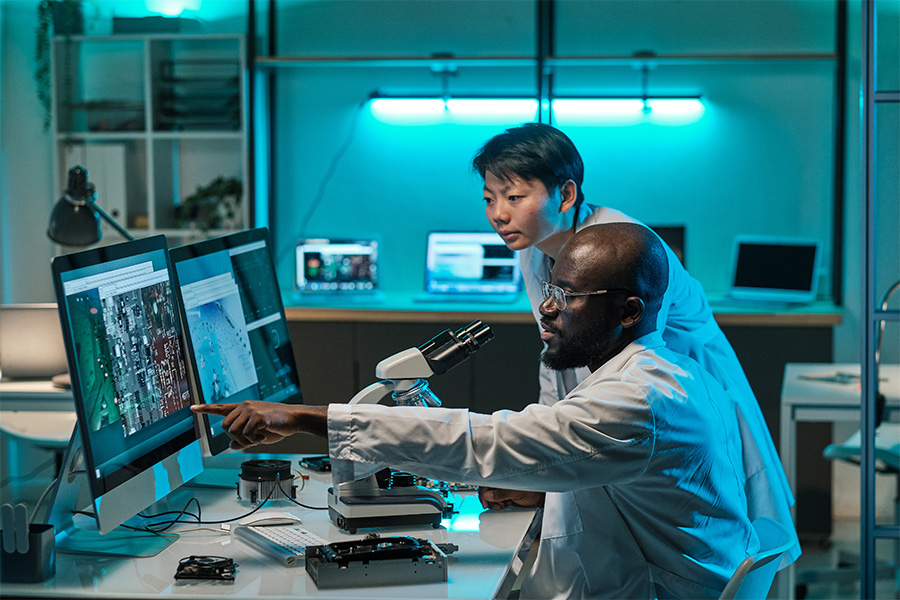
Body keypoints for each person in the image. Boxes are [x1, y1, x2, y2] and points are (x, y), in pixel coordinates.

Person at [195, 223, 757, 599]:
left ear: (629, 311)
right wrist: (552, 488)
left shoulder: (641, 398)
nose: (546, 308)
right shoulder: (662, 370)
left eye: (568, 297)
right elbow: (618, 470)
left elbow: (486, 441)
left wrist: (296, 419)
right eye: (550, 288)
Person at [472, 123, 799, 564]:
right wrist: (539, 459)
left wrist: (545, 468)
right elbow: (557, 353)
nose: (498, 214)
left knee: (708, 541)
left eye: (514, 197)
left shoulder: (621, 244)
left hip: (682, 389)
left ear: (565, 195)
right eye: (490, 198)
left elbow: (632, 367)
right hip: (633, 403)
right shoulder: (536, 251)